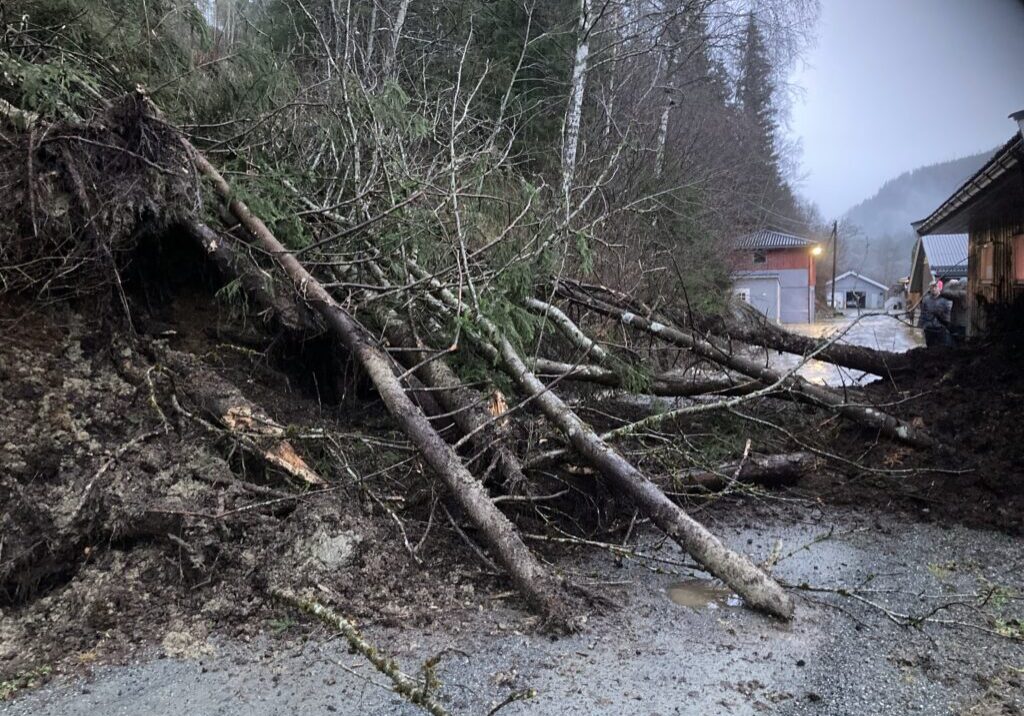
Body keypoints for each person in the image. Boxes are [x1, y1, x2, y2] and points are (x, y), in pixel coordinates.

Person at [919, 280, 953, 347]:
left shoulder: (945, 300)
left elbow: (949, 314)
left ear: (939, 288)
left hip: (940, 329)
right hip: (929, 328)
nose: (934, 289)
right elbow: (923, 314)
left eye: (935, 287)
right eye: (932, 287)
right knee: (930, 347)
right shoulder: (926, 300)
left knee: (941, 348)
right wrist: (921, 326)